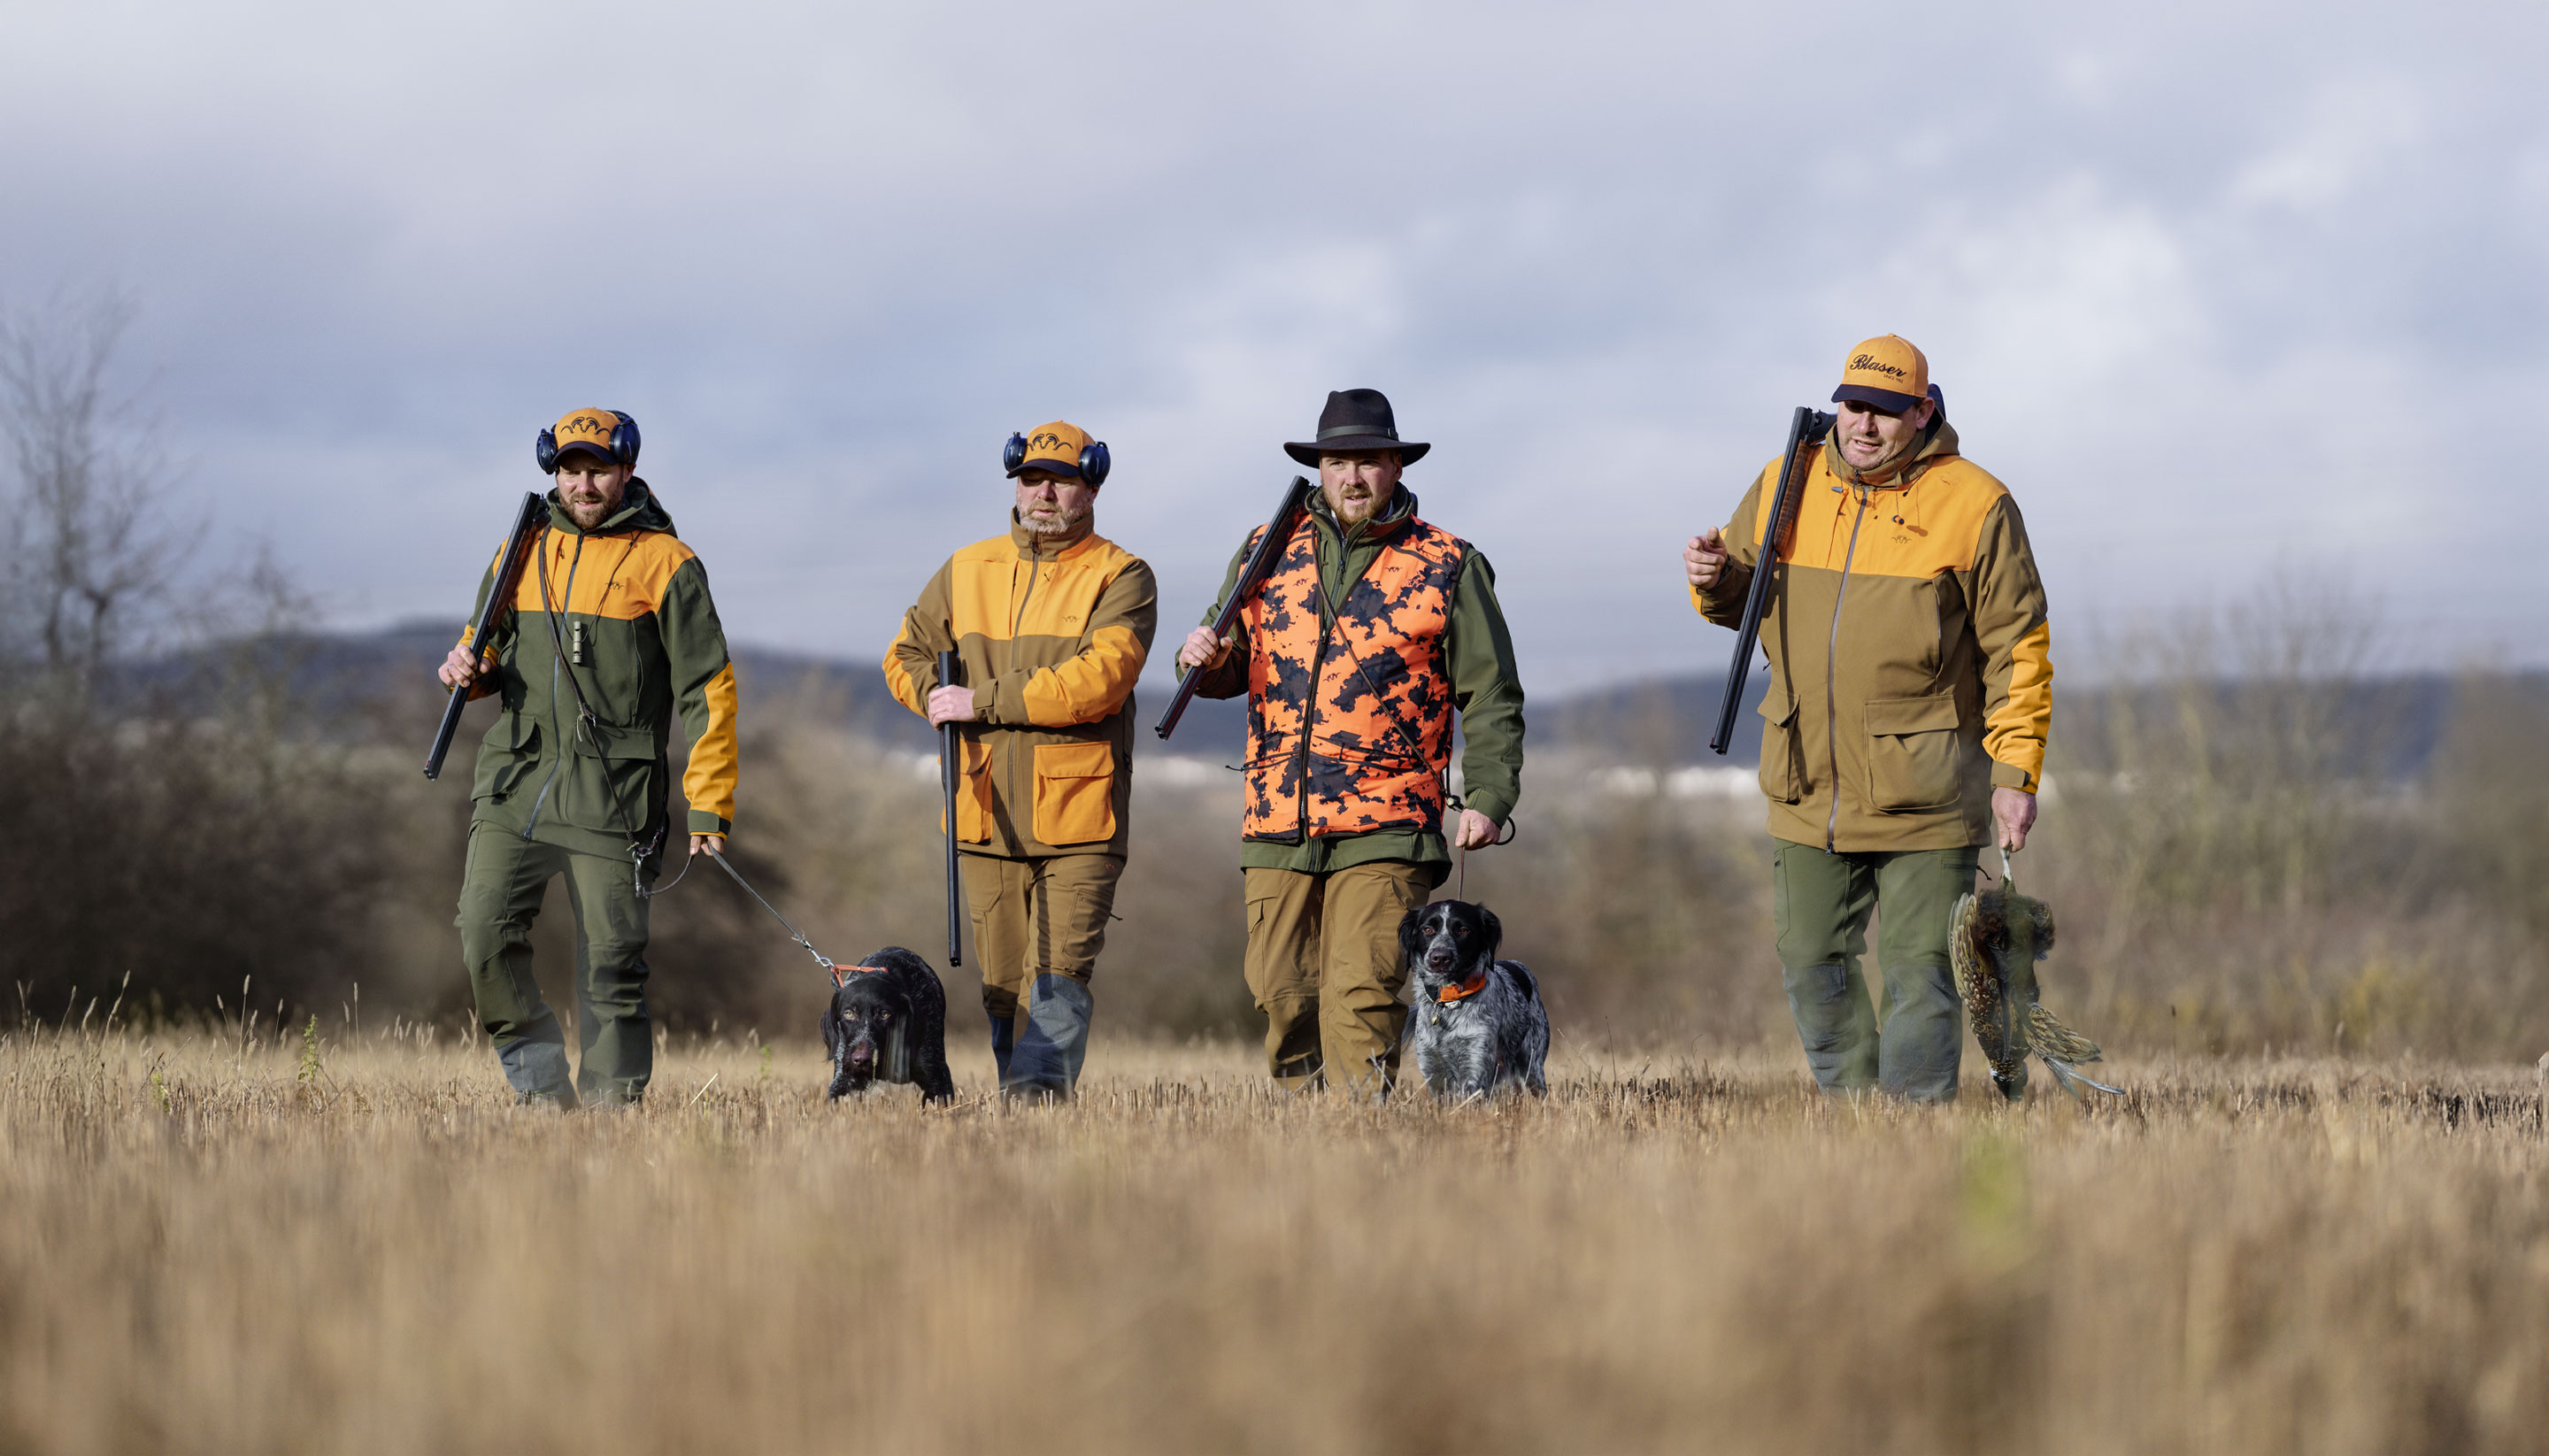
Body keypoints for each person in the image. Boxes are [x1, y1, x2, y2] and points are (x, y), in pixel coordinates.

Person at [1684, 336, 2052, 1101]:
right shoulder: (1788, 478)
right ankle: (1856, 1112)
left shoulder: (1976, 502)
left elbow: (2018, 647)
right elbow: (1743, 601)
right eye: (1854, 406)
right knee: (1810, 958)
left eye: (1887, 411)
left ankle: (1911, 1127)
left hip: (1930, 791)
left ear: (1922, 411)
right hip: (1805, 776)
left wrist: (2016, 773)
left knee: (1922, 972)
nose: (1865, 424)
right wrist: (1715, 581)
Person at [1175, 389, 1524, 1098]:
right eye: (1338, 462)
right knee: (1281, 993)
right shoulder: (1264, 548)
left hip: (1388, 821)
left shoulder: (1449, 563)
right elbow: (1229, 661)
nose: (1353, 477)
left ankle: (1363, 1149)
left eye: (1369, 461)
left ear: (1396, 465)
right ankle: (1309, 1155)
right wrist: (1201, 658)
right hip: (1277, 817)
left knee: (1360, 997)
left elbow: (1490, 693)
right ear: (1321, 467)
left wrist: (1487, 795)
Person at [438, 407, 739, 1108]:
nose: (581, 483)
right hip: (517, 779)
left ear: (626, 470)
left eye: (596, 469)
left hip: (615, 795)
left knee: (611, 967)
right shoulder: (520, 548)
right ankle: (541, 1090)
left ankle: (611, 1111)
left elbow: (708, 690)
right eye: (569, 470)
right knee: (483, 930)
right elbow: (484, 649)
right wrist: (466, 667)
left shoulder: (669, 563)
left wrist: (708, 803)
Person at [884, 420, 1157, 1099]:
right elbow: (905, 656)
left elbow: (1100, 680)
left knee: (1058, 979)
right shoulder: (966, 568)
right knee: (1002, 989)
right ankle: (1025, 1119)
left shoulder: (1122, 575)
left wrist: (980, 699)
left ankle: (1035, 1102)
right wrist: (935, 697)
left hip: (1079, 819)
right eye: (1032, 478)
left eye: (1062, 481)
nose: (1044, 492)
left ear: (1090, 486)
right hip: (983, 815)